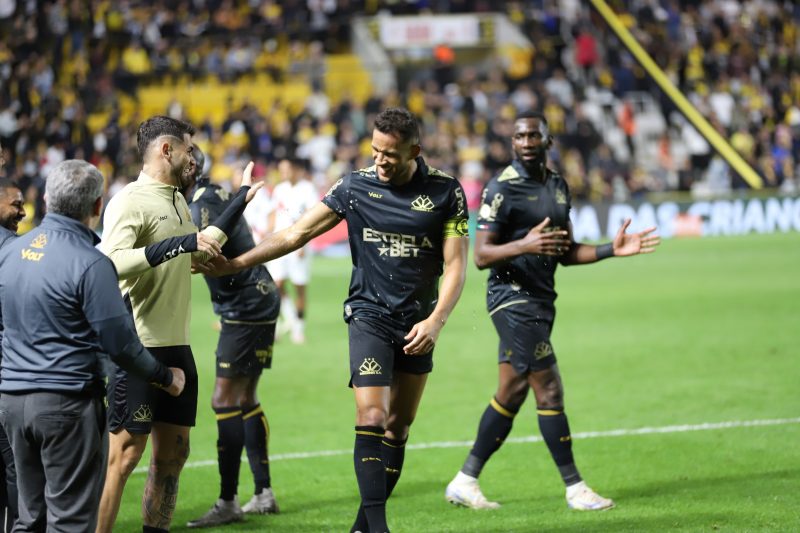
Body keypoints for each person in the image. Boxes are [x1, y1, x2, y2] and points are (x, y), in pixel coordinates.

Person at [209, 107, 470, 533]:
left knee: (398, 429)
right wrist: (235, 264)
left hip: (419, 323)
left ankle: (361, 529)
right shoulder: (355, 186)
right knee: (371, 417)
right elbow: (295, 234)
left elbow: (456, 265)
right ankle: (380, 528)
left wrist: (437, 321)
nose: (379, 161)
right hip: (368, 315)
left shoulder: (446, 192)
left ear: (414, 151)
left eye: (389, 154)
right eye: (374, 151)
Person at [444, 110, 661, 511]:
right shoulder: (500, 189)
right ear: (513, 143)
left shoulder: (559, 187)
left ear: (548, 141)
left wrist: (612, 249)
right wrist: (523, 245)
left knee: (512, 390)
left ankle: (465, 480)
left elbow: (566, 252)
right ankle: (575, 488)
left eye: (533, 135)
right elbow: (482, 255)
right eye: (519, 136)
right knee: (550, 387)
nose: (526, 142)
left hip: (542, 301)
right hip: (511, 300)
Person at [0, 160, 185, 532]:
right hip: (65, 405)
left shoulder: (11, 251)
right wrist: (166, 377)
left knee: (28, 518)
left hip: (11, 404)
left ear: (47, 199)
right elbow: (120, 345)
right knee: (69, 521)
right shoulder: (91, 263)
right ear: (97, 206)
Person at [96, 116, 261, 533]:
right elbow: (111, 263)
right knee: (124, 457)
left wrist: (239, 201)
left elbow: (195, 256)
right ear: (166, 150)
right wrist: (180, 243)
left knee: (173, 457)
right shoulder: (129, 200)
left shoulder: (176, 201)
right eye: (189, 149)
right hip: (141, 347)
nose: (195, 158)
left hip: (178, 347)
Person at [181, 150, 282, 528]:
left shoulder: (201, 204)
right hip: (256, 299)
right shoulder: (217, 193)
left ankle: (228, 501)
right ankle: (264, 494)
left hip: (246, 306)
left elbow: (201, 254)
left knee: (223, 398)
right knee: (244, 398)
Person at [267, 157, 319, 344]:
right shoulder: (280, 189)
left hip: (298, 245)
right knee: (276, 285)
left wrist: (304, 243)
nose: (283, 174)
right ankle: (290, 320)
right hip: (280, 243)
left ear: (296, 169)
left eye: (286, 169)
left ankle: (299, 328)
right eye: (281, 170)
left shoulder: (307, 189)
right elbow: (273, 213)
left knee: (299, 287)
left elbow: (312, 216)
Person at [0, 175, 25, 532]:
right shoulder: (13, 251)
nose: (22, 210)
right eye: (15, 204)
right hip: (9, 374)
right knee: (16, 467)